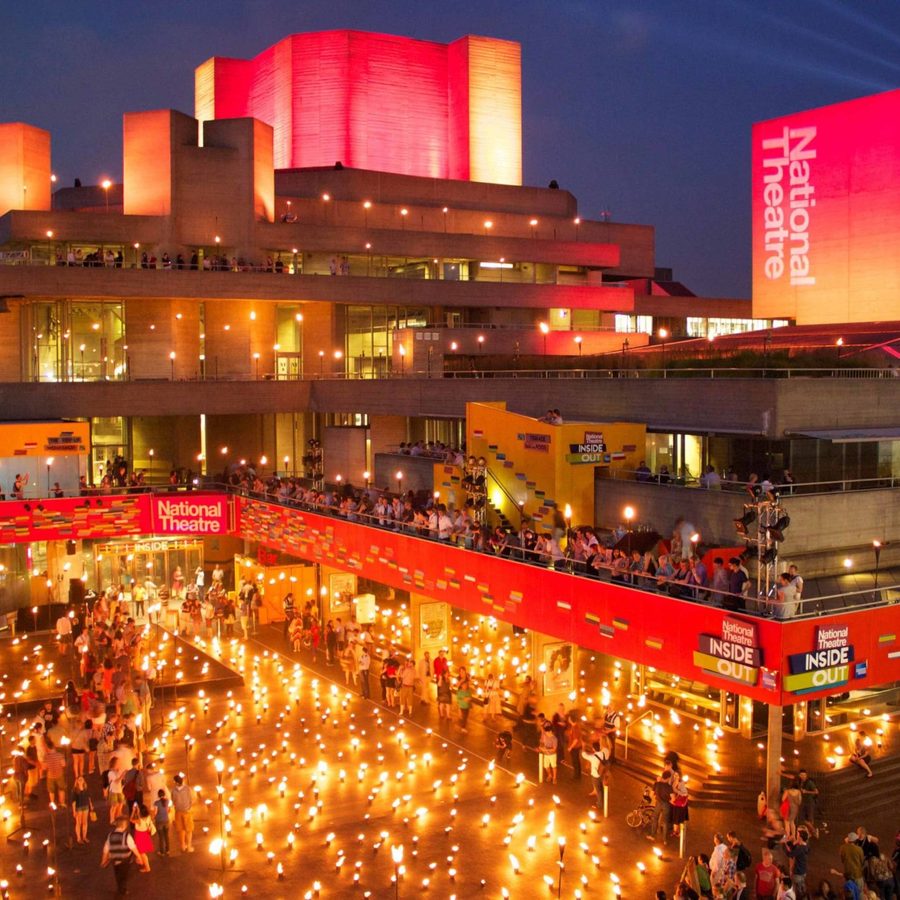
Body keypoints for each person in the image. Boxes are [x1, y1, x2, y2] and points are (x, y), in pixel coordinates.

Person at [102, 815, 140, 897]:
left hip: (115, 859)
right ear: (124, 825)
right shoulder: (127, 836)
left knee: (117, 874)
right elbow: (133, 848)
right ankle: (122, 890)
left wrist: (104, 860)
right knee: (124, 875)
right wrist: (139, 857)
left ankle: (120, 887)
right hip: (125, 860)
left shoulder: (110, 835)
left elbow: (106, 849)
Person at [171, 773, 194, 853]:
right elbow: (191, 799)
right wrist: (189, 806)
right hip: (187, 811)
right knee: (189, 829)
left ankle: (183, 846)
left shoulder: (173, 790)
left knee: (181, 830)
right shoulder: (187, 789)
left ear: (176, 782)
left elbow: (173, 800)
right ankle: (189, 846)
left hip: (178, 811)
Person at [131, 802, 155, 872]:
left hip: (140, 836)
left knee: (142, 853)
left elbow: (131, 819)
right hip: (145, 834)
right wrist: (138, 812)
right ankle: (140, 860)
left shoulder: (139, 820)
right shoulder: (148, 817)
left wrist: (133, 811)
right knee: (141, 851)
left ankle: (147, 868)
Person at [71, 774, 92, 844]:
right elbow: (73, 802)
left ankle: (84, 837)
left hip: (86, 807)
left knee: (85, 822)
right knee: (78, 823)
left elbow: (89, 798)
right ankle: (79, 838)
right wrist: (74, 811)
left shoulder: (86, 788)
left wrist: (91, 805)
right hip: (79, 808)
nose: (81, 781)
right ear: (76, 781)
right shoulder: (74, 790)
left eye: (82, 779)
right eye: (79, 779)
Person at [153, 788, 170, 856]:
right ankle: (167, 850)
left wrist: (153, 817)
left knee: (161, 837)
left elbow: (155, 812)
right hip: (166, 820)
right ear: (164, 794)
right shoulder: (167, 801)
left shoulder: (156, 803)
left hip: (159, 821)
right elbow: (168, 810)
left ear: (158, 795)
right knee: (166, 836)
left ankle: (162, 852)